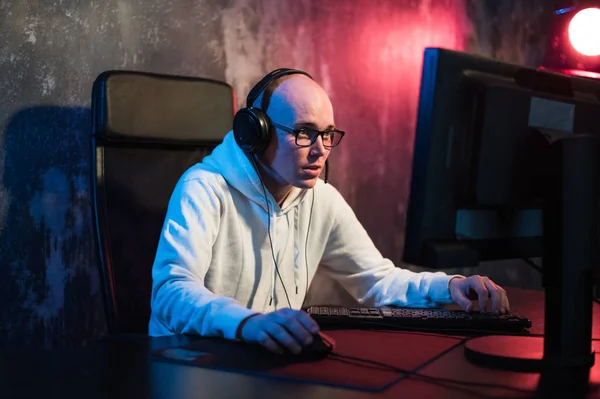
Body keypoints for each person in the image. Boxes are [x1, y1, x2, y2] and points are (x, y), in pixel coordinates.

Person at [149, 68, 510, 355]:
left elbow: (377, 280)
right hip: (190, 362)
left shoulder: (321, 199)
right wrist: (248, 323)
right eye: (305, 133)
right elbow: (170, 291)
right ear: (254, 132)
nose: (321, 150)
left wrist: (451, 286)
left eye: (328, 134)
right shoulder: (204, 187)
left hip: (264, 366)